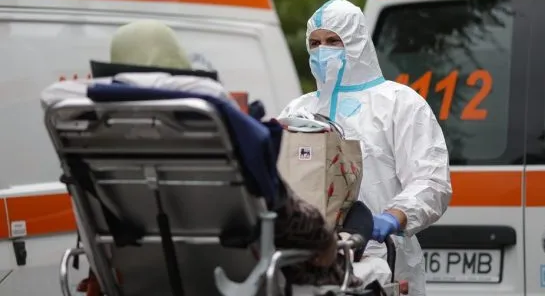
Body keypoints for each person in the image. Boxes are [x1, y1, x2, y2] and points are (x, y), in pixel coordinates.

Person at [40, 19, 390, 293]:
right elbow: (289, 218)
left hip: (141, 278)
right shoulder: (213, 124)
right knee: (361, 242)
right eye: (316, 42)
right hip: (250, 273)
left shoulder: (91, 139)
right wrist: (330, 242)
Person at [278, 0, 453, 296]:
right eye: (315, 43)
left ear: (356, 42)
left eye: (333, 41)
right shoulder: (298, 111)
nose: (322, 51)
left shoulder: (399, 103)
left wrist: (393, 216)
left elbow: (431, 181)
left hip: (381, 256)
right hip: (309, 258)